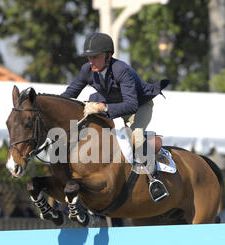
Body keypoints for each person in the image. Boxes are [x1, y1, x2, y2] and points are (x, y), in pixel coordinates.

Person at [61, 32, 170, 202]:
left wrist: (102, 107)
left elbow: (131, 105)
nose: (91, 61)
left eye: (95, 57)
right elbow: (69, 96)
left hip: (139, 106)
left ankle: (154, 180)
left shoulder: (122, 70)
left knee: (135, 137)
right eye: (89, 57)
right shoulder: (86, 70)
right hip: (112, 103)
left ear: (108, 56)